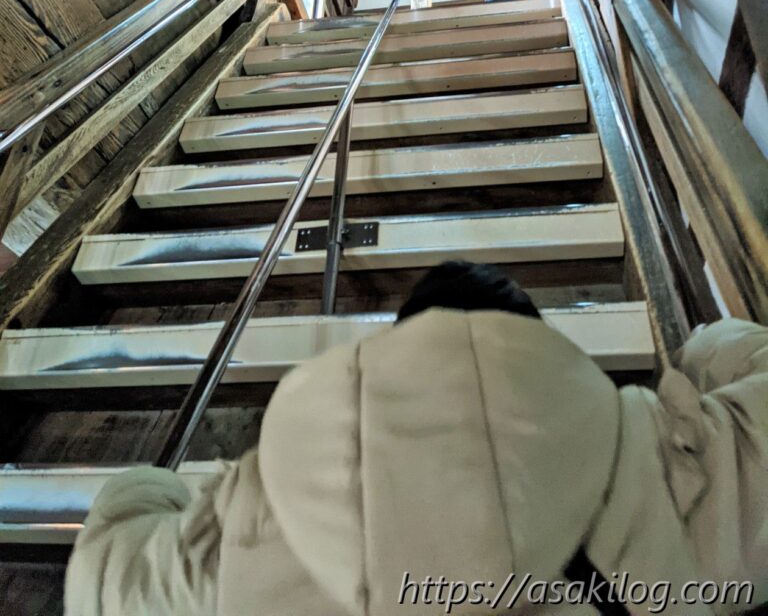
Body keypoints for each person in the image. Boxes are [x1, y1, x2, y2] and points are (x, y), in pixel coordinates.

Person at [65, 262, 768, 616]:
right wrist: (703, 355)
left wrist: (163, 491)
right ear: (542, 350)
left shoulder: (258, 523)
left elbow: (100, 574)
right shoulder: (677, 465)